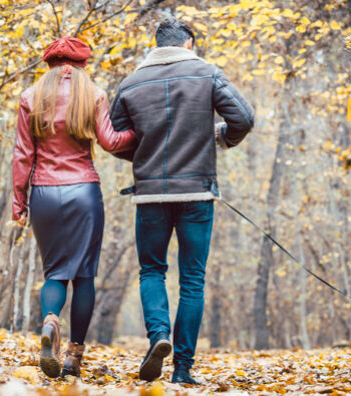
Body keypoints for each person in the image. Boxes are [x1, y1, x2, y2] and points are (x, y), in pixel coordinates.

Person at [110, 18, 255, 384]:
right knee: (193, 279)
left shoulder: (131, 82)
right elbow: (244, 118)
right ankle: (183, 369)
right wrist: (218, 137)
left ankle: (159, 336)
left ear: (156, 44)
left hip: (150, 195)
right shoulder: (206, 72)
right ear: (189, 43)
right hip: (196, 194)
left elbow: (116, 137)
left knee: (152, 270)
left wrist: (146, 157)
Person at [12, 36, 137, 379]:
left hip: (44, 194)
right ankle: (73, 359)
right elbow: (111, 141)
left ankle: (51, 320)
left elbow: (24, 154)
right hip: (83, 191)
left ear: (49, 65)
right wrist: (141, 134)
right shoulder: (93, 94)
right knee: (84, 275)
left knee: (55, 272)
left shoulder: (30, 97)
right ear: (83, 65)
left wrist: (18, 201)